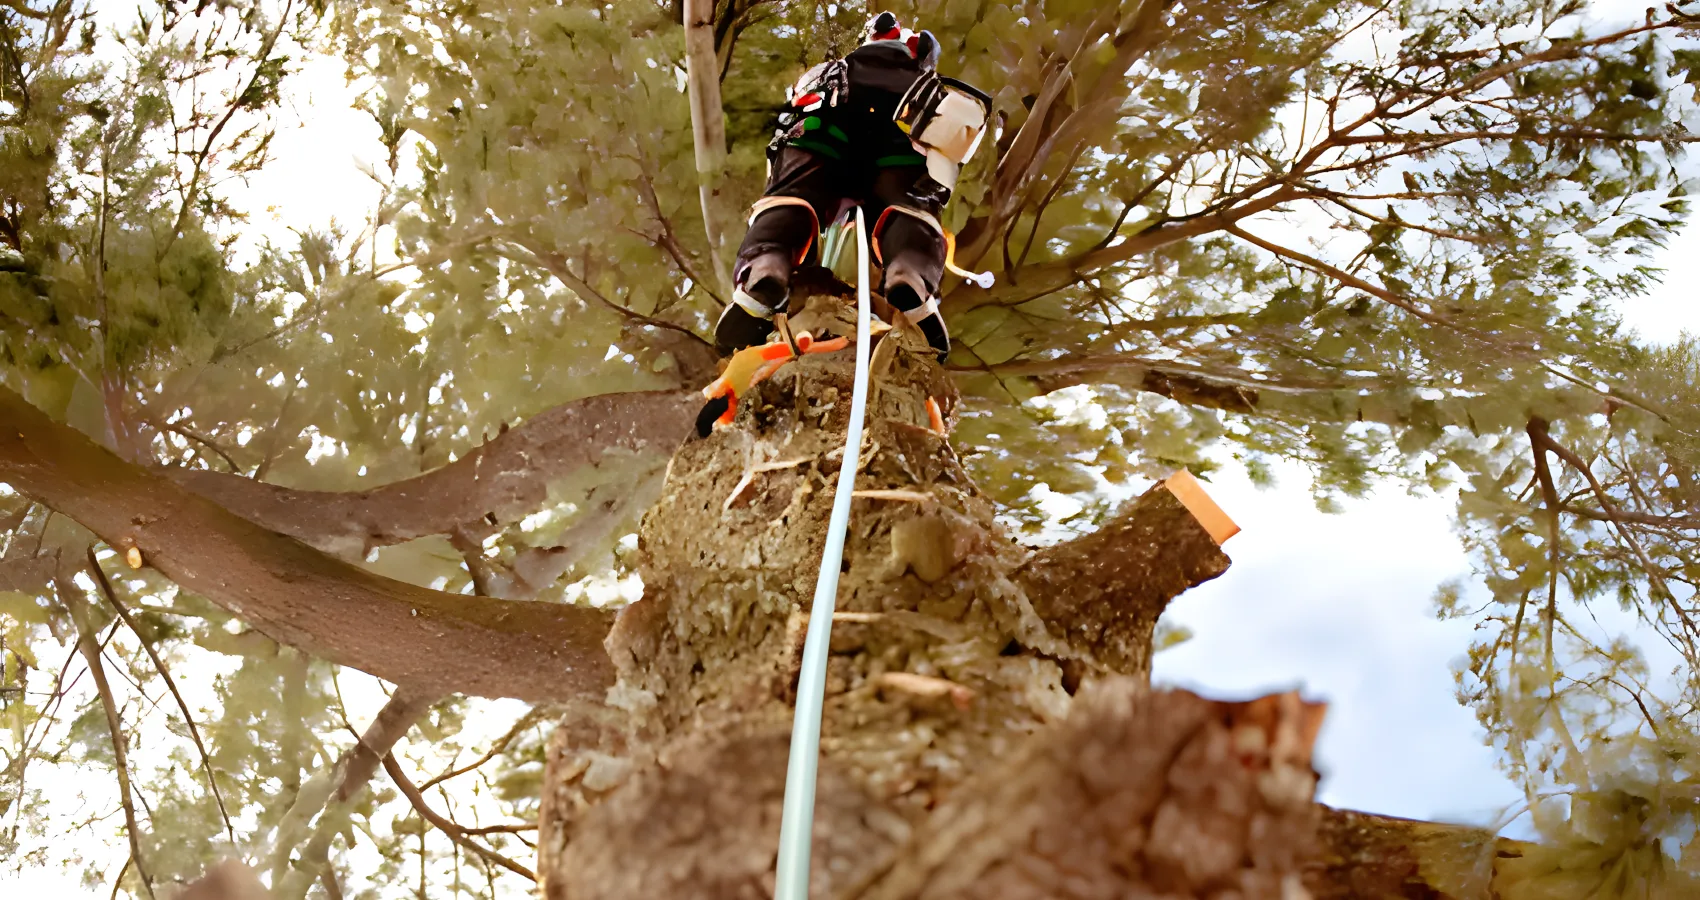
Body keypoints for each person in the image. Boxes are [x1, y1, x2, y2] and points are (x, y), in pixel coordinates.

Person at [712, 11, 989, 363]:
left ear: (873, 36)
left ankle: (766, 267)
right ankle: (909, 274)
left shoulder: (834, 68)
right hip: (906, 134)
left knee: (793, 196)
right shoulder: (924, 78)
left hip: (825, 124)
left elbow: (792, 111)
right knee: (909, 207)